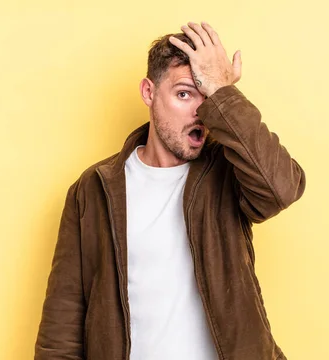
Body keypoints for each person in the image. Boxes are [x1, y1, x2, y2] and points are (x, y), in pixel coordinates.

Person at [35, 21, 306, 360]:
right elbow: (62, 324)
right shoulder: (95, 189)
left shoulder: (228, 171)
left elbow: (281, 189)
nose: (199, 112)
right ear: (149, 92)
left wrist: (223, 92)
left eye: (205, 96)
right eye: (183, 94)